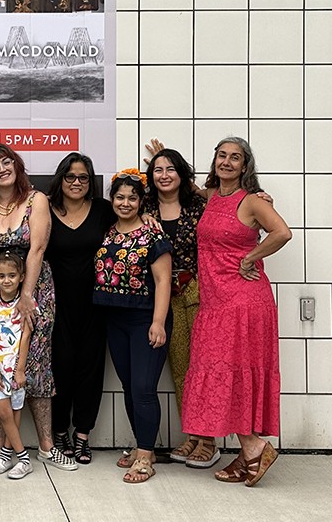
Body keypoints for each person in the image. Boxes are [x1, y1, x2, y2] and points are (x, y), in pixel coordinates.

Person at [181, 137, 291, 487]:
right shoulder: (214, 196)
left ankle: (255, 447)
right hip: (216, 301)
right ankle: (248, 455)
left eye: (235, 158)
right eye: (222, 156)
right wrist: (164, 161)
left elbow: (282, 233)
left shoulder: (253, 201)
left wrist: (250, 257)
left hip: (243, 301)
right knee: (225, 372)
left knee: (232, 372)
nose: (227, 162)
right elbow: (192, 188)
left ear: (245, 166)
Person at [0, 144, 77, 472]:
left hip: (34, 291)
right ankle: (0, 446)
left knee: (36, 366)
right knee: (0, 365)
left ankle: (47, 446)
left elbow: (38, 249)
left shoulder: (36, 200)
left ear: (17, 166)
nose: (2, 168)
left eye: (7, 162)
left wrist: (27, 295)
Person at [92, 168, 173, 484]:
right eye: (119, 197)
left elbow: (163, 280)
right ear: (112, 199)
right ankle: (144, 447)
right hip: (115, 319)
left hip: (145, 320)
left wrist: (158, 322)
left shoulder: (154, 234)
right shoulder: (109, 231)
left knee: (143, 387)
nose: (125, 203)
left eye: (132, 198)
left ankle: (144, 456)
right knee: (129, 385)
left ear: (141, 202)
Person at [141, 149, 211, 467]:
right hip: (163, 297)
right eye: (158, 170)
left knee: (203, 368)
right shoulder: (146, 207)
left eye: (171, 169)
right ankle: (192, 434)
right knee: (180, 370)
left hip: (197, 293)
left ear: (183, 174)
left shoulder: (198, 205)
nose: (165, 175)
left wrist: (258, 195)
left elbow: (227, 200)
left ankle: (208, 440)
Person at [44, 152, 116, 465]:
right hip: (55, 306)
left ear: (91, 182)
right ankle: (59, 431)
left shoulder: (102, 210)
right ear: (61, 179)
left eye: (83, 178)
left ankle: (82, 435)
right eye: (70, 176)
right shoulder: (44, 209)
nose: (76, 182)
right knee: (59, 368)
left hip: (95, 305)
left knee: (90, 369)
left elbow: (136, 216)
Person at [0, 252, 33, 479]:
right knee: (3, 412)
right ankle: (23, 458)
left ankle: (5, 454)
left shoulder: (24, 304)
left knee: (14, 411)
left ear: (21, 277)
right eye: (1, 276)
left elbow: (26, 336)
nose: (7, 280)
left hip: (15, 369)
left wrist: (20, 369)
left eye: (12, 275)